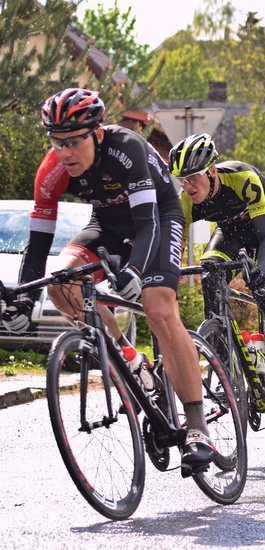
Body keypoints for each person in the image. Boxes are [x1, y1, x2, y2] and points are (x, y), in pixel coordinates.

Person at [2, 88, 215, 471]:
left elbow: (148, 222)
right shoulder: (51, 172)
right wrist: (24, 303)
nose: (64, 153)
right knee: (61, 282)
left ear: (96, 134)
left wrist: (134, 271)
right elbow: (38, 245)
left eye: (72, 142)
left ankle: (197, 425)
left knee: (158, 307)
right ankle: (132, 362)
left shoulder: (125, 147)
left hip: (158, 218)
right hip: (107, 224)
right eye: (56, 142)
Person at [168, 133, 265, 419]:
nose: (188, 186)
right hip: (231, 231)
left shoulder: (241, 177)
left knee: (264, 292)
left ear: (211, 171)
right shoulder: (187, 201)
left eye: (193, 177)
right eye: (181, 180)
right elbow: (174, 243)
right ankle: (224, 365)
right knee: (209, 268)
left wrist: (261, 270)